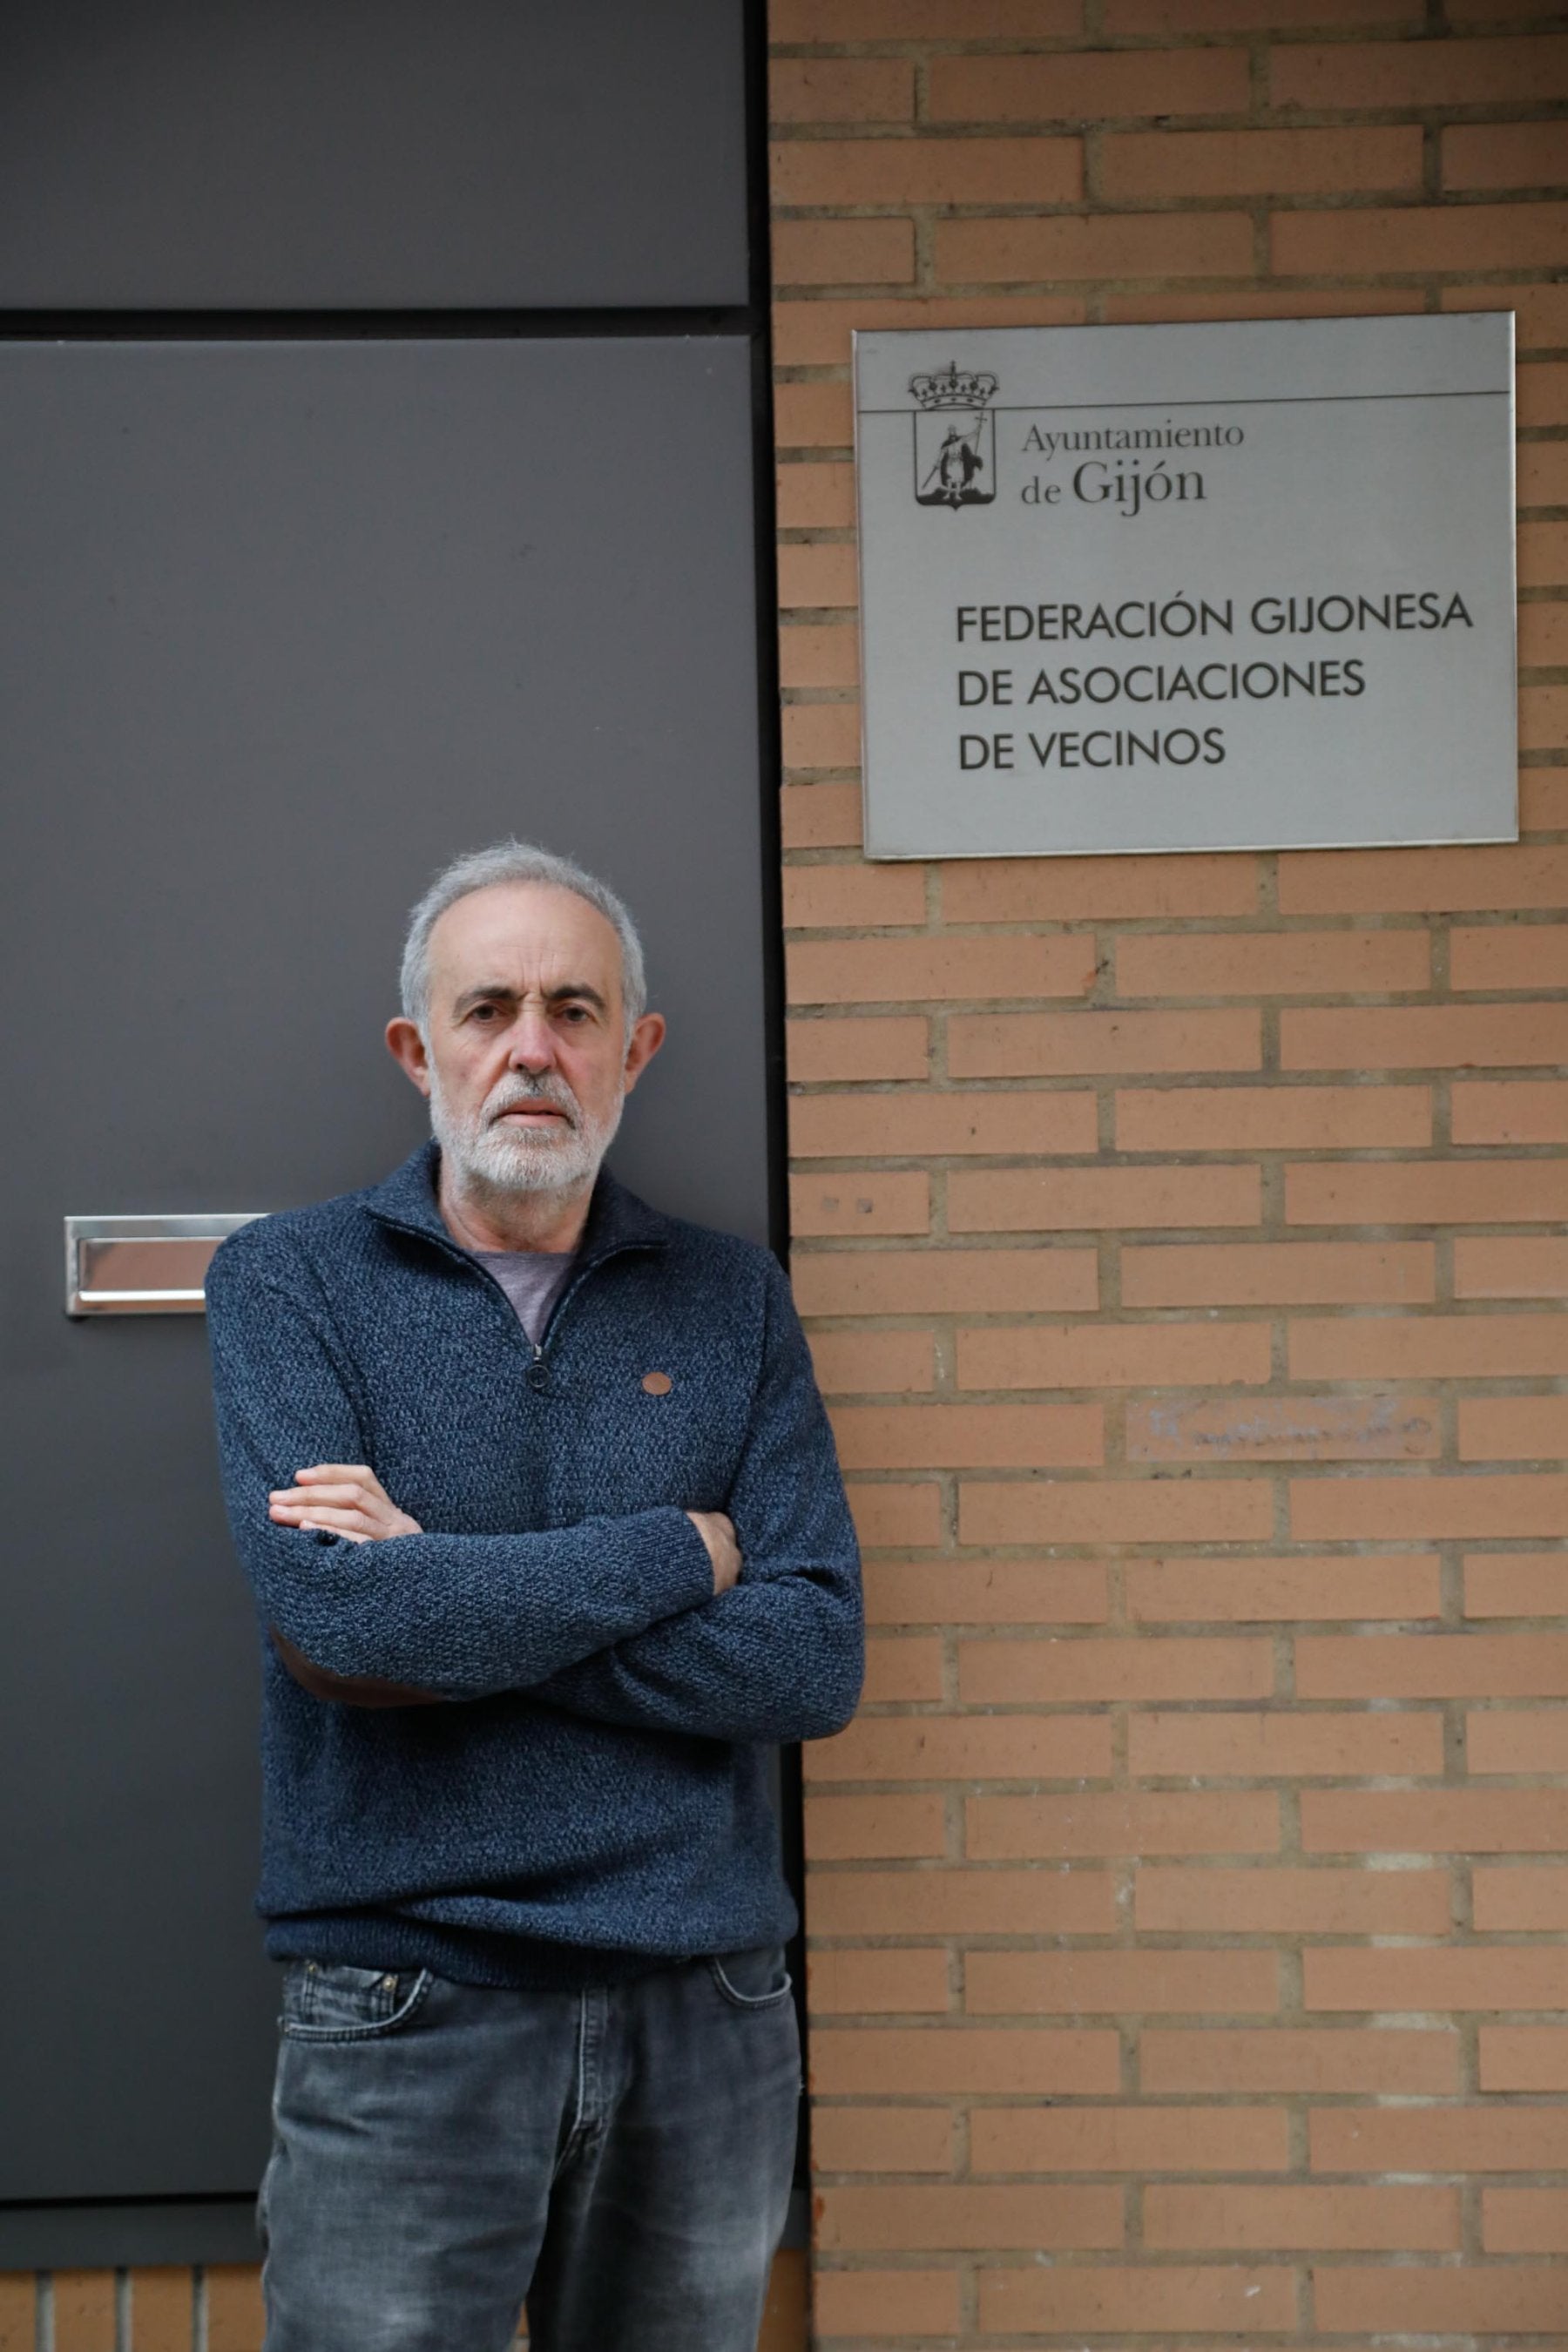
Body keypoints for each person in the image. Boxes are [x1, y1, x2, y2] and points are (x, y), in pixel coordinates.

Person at [206, 839, 863, 2352]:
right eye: (488, 1006)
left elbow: (812, 1662)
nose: (530, 1049)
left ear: (634, 1051)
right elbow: (345, 1629)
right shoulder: (289, 1284)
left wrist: (448, 1589)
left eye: (575, 1010)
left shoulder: (731, 1296)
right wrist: (683, 1553)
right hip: (406, 2004)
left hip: (705, 2008)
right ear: (415, 1049)